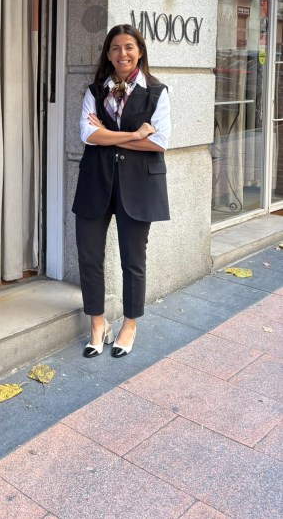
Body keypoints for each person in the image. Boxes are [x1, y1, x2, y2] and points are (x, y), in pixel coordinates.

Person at [72, 24, 171, 358]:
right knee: (89, 256)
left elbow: (159, 141)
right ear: (108, 54)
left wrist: (110, 134)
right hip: (95, 183)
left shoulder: (157, 92)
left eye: (129, 47)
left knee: (133, 259)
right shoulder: (95, 91)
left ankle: (130, 323)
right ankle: (98, 323)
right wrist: (133, 135)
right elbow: (88, 135)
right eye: (115, 48)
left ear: (139, 51)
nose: (122, 53)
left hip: (137, 186)